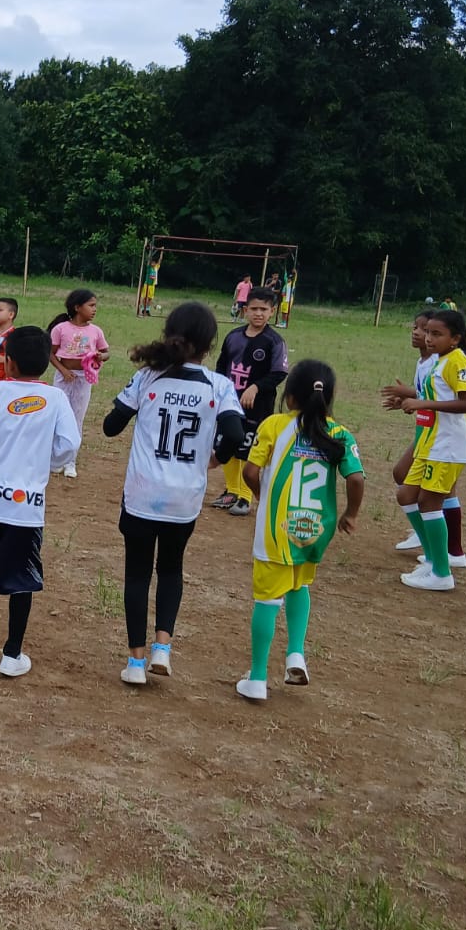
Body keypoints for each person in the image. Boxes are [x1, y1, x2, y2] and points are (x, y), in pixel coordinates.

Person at [103, 301, 244, 687]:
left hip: (142, 494)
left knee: (137, 574)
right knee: (170, 569)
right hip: (185, 498)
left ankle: (135, 662)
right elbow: (235, 434)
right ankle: (162, 648)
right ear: (210, 345)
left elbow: (111, 426)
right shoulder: (219, 386)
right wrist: (217, 457)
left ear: (169, 335)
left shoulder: (148, 377)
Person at [0, 325, 81, 679]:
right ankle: (12, 653)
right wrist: (48, 462)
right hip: (25, 509)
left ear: (8, 362)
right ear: (46, 363)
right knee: (22, 578)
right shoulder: (56, 399)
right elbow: (70, 444)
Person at [235, 360, 365, 702]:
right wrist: (351, 514)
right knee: (299, 584)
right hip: (315, 529)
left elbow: (250, 472)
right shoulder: (339, 433)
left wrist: (262, 496)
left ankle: (257, 678)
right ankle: (296, 654)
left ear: (289, 396)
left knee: (267, 599)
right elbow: (355, 478)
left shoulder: (275, 425)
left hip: (277, 529)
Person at [392, 309, 466, 593]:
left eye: (437, 334)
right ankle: (431, 560)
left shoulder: (458, 362)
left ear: (455, 338)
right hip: (431, 442)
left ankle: (441, 572)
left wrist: (423, 404)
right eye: (428, 332)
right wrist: (410, 401)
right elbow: (434, 396)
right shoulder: (440, 361)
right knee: (406, 494)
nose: (429, 338)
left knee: (429, 502)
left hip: (448, 445)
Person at [213, 289, 288, 515]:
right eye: (254, 309)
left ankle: (245, 497)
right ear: (245, 310)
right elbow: (221, 366)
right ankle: (232, 490)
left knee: (248, 449)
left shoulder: (274, 341)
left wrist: (255, 387)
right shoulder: (233, 337)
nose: (258, 313)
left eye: (264, 309)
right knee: (227, 443)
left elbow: (279, 372)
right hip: (230, 403)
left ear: (272, 312)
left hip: (258, 406)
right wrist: (220, 391)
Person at [47, 288, 110, 477]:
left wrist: (100, 356)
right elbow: (50, 353)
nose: (94, 309)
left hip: (83, 379)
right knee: (58, 416)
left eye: (95, 305)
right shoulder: (60, 329)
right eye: (91, 305)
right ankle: (56, 457)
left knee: (76, 419)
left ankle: (70, 461)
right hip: (64, 378)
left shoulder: (96, 331)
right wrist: (63, 370)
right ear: (77, 307)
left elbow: (106, 352)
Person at [139, 250, 161, 316]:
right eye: (152, 263)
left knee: (150, 298)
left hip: (152, 285)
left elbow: (160, 260)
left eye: (154, 263)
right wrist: (151, 251)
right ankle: (143, 310)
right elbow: (148, 260)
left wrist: (162, 251)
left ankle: (147, 310)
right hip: (147, 284)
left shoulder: (156, 267)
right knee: (145, 298)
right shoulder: (149, 268)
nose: (153, 264)